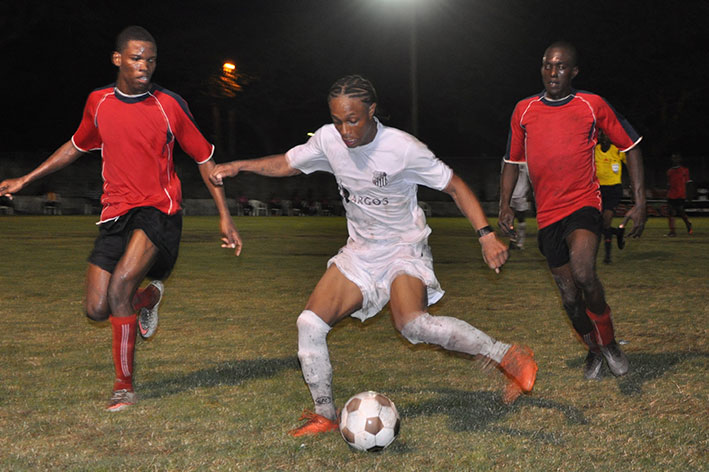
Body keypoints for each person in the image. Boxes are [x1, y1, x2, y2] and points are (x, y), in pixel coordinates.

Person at [210, 74, 538, 436]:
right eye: (337, 121)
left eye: (353, 119)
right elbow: (287, 163)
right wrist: (239, 165)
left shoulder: (402, 148)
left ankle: (508, 355)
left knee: (414, 325)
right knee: (309, 324)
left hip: (403, 249)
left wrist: (485, 235)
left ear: (372, 110)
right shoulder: (328, 140)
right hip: (361, 252)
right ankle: (326, 414)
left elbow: (455, 186)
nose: (345, 130)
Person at [0, 26, 242, 411]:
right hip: (114, 213)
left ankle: (123, 386)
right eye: (137, 58)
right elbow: (75, 146)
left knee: (121, 284)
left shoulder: (168, 105)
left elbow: (206, 158)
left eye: (151, 59)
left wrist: (225, 216)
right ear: (118, 59)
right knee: (96, 308)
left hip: (159, 211)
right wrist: (25, 179)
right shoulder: (99, 102)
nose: (145, 66)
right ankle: (149, 297)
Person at [499, 41, 646, 381]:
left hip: (583, 203)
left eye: (562, 66)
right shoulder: (524, 110)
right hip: (547, 215)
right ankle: (593, 349)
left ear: (574, 71)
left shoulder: (591, 105)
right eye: (548, 65)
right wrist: (505, 203)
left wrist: (639, 201)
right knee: (568, 297)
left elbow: (632, 146)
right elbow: (511, 161)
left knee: (583, 274)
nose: (554, 72)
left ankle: (609, 344)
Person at [594, 130, 627, 263]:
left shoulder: (618, 150)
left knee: (606, 220)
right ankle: (617, 233)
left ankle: (607, 256)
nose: (604, 137)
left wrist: (633, 184)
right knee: (597, 224)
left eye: (607, 134)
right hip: (597, 190)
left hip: (613, 189)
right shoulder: (594, 150)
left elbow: (630, 163)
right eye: (601, 134)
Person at [665, 153, 693, 237]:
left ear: (680, 160)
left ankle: (688, 223)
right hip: (671, 194)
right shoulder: (669, 171)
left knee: (681, 212)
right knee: (670, 212)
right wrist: (667, 192)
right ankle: (672, 231)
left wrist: (689, 195)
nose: (674, 160)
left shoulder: (684, 170)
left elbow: (688, 184)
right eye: (673, 158)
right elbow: (669, 184)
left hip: (680, 194)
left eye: (676, 158)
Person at [507, 163, 531, 250]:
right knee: (510, 219)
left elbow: (530, 177)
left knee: (521, 219)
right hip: (510, 194)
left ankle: (520, 243)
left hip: (522, 194)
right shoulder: (509, 160)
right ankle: (512, 240)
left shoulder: (525, 162)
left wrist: (529, 193)